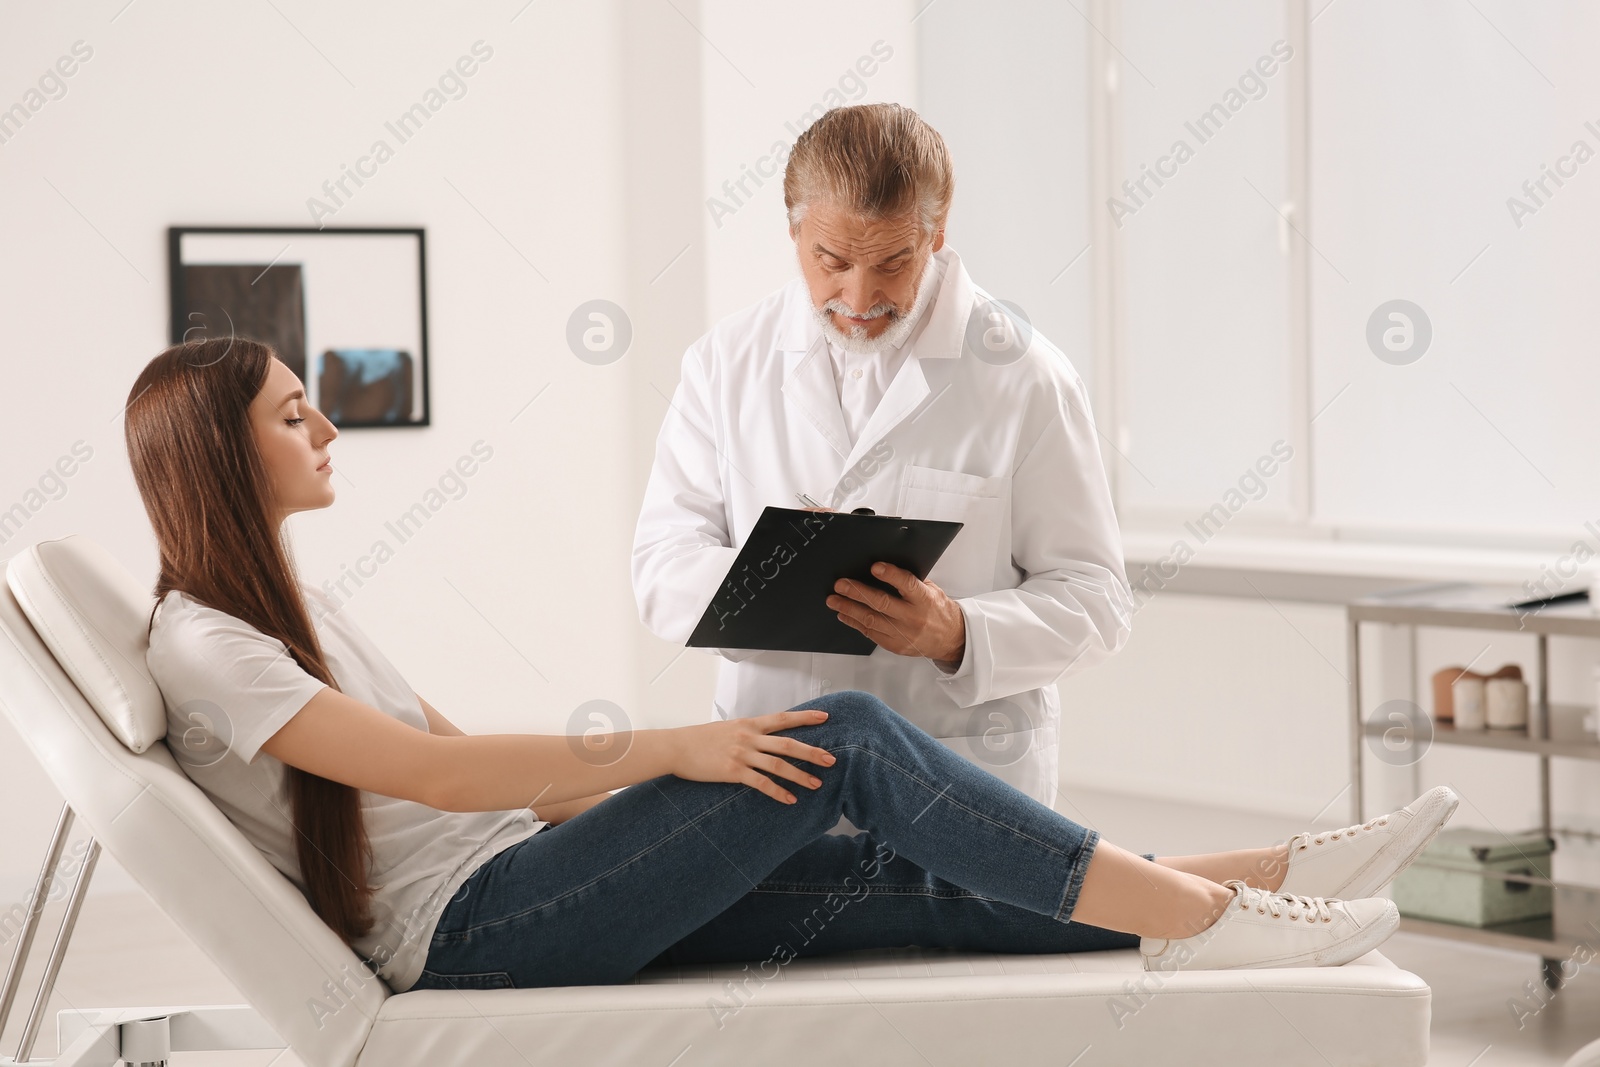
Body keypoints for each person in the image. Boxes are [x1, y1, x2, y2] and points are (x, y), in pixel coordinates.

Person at [130, 338, 1457, 993]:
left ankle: (1269, 877)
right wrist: (673, 751)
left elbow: (465, 759)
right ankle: (1207, 924)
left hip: (515, 880)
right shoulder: (205, 640)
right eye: (290, 414)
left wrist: (633, 824)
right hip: (466, 930)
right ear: (215, 455)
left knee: (899, 878)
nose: (323, 426)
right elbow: (426, 766)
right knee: (851, 739)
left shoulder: (289, 600)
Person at [634, 103, 1126, 808]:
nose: (859, 298)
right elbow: (661, 565)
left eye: (893, 262)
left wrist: (956, 632)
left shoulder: (1024, 377)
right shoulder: (724, 364)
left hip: (962, 781)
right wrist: (785, 580)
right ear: (794, 231)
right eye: (830, 262)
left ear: (937, 232)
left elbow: (1097, 598)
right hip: (772, 778)